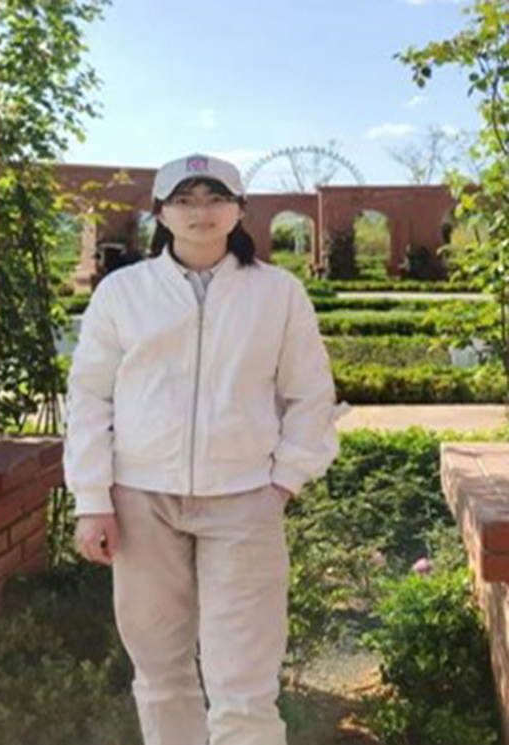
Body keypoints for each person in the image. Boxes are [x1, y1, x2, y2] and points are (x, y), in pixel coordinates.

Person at [63, 153, 349, 745]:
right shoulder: (123, 294)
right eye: (184, 200)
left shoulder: (278, 293)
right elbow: (91, 396)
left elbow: (310, 393)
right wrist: (93, 500)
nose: (201, 211)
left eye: (215, 197)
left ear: (239, 209)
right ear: (161, 213)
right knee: (160, 674)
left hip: (245, 500)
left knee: (245, 685)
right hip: (141, 501)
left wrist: (283, 483)